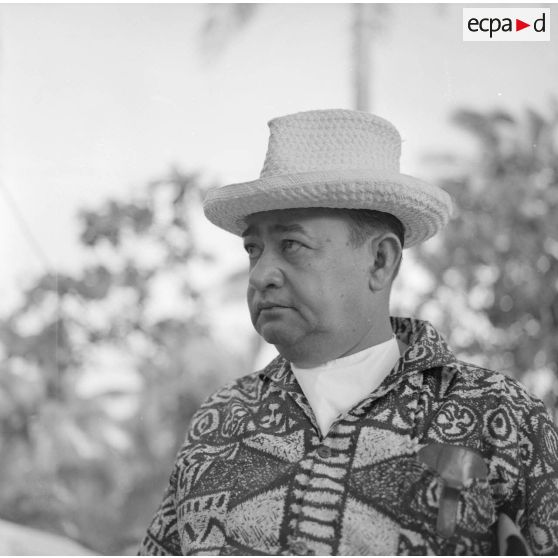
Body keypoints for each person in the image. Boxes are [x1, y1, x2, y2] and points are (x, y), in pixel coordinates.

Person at [138, 109, 558, 555]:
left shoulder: (498, 416)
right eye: (253, 249)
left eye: (292, 245)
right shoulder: (219, 421)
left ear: (380, 261)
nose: (261, 274)